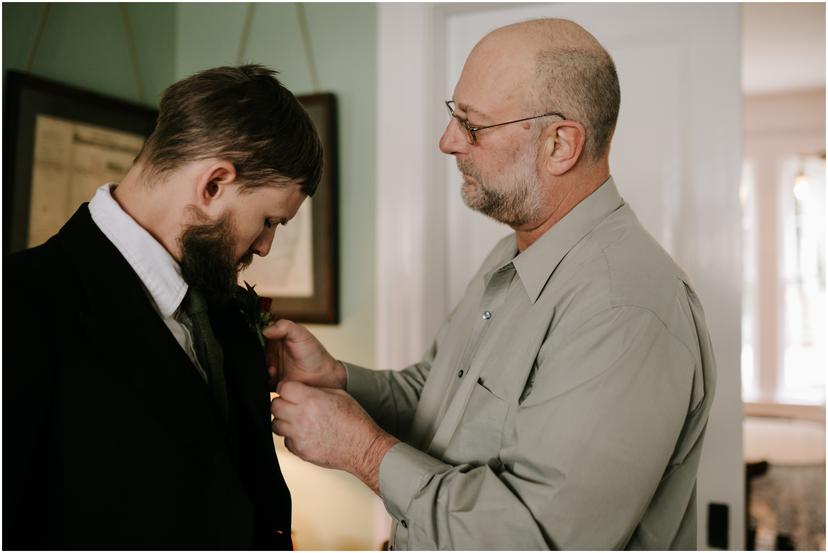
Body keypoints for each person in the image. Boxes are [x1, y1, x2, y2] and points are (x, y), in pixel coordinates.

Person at [268, 18, 717, 550]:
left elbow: (534, 537)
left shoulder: (625, 308)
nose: (447, 141)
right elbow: (439, 396)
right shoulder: (511, 255)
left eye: (471, 124)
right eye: (453, 115)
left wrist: (362, 452)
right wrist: (339, 378)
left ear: (560, 145)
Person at [3, 64, 322, 549]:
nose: (264, 248)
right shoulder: (20, 306)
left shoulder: (228, 309)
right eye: (268, 221)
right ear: (213, 184)